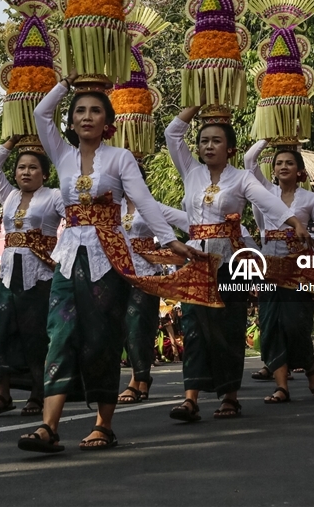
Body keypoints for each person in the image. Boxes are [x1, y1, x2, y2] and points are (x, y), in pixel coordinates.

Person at [18, 75, 200, 453]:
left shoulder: (120, 158)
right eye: (80, 111)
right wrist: (66, 83)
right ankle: (49, 428)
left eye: (95, 110)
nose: (86, 117)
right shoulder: (62, 154)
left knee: (102, 338)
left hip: (109, 256)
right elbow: (40, 113)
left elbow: (144, 201)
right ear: (71, 122)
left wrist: (169, 240)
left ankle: (104, 424)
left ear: (107, 122)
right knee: (60, 335)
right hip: (68, 258)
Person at [166, 107, 308, 420]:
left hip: (231, 260)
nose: (208, 146)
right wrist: (196, 105)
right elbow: (173, 134)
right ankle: (190, 399)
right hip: (195, 261)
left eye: (216, 141)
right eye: (203, 141)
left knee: (228, 327)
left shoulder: (241, 178)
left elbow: (267, 201)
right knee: (193, 327)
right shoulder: (190, 171)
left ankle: (229, 396)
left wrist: (293, 220)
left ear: (229, 148)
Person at [243, 140, 314, 401]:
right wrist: (269, 137)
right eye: (278, 163)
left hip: (301, 271)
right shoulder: (264, 193)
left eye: (289, 163)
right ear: (273, 170)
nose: (283, 167)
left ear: (299, 170)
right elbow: (248, 161)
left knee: (295, 325)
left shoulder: (309, 199)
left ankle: (309, 367)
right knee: (270, 326)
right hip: (269, 269)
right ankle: (281, 387)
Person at [0, 136, 63, 417]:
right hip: (7, 277)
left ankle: (38, 394)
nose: (26, 172)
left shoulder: (54, 197)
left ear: (45, 174)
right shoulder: (9, 196)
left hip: (40, 277)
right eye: (21, 167)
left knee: (35, 336)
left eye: (33, 168)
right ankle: (3, 394)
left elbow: (76, 224)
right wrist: (10, 142)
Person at [117, 188, 189, 405]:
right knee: (120, 326)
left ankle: (136, 380)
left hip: (146, 273)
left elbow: (186, 220)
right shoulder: (111, 206)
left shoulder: (151, 206)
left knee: (138, 324)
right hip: (115, 271)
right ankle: (142, 377)